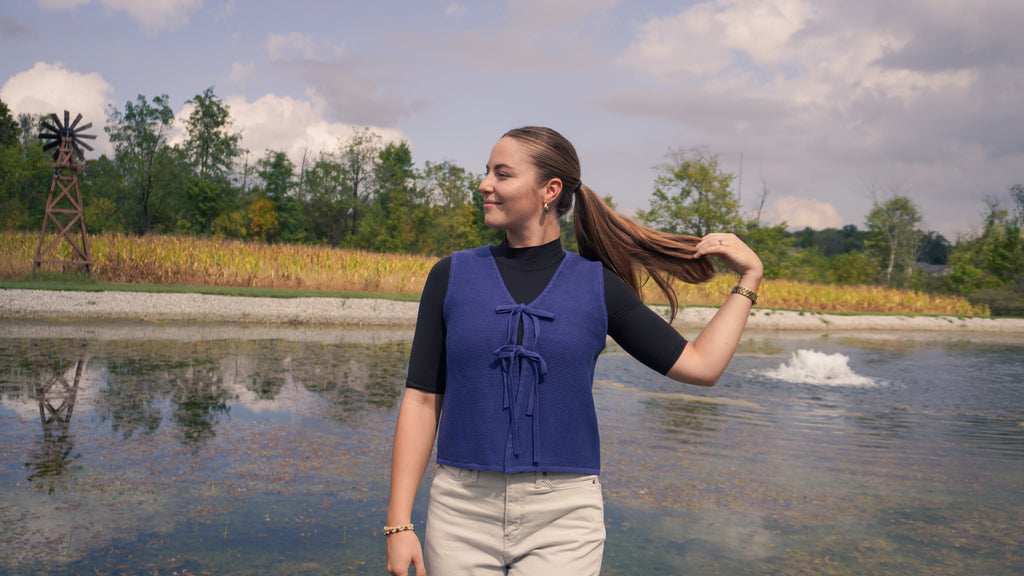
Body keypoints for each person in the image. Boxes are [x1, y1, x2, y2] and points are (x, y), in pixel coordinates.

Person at [385, 126, 763, 575]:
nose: (484, 184)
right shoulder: (451, 276)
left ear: (550, 190)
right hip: (459, 511)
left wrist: (749, 279)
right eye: (487, 171)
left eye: (502, 174)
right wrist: (398, 524)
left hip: (564, 518)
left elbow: (702, 365)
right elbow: (421, 400)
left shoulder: (597, 285)